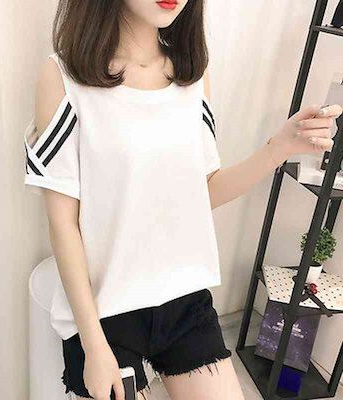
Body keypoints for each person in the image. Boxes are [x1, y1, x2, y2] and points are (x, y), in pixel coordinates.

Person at [23, 1, 342, 399]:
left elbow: (202, 193)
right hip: (104, 312)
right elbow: (63, 224)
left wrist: (279, 147)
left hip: (183, 301)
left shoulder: (191, 76)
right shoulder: (64, 78)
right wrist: (93, 346)